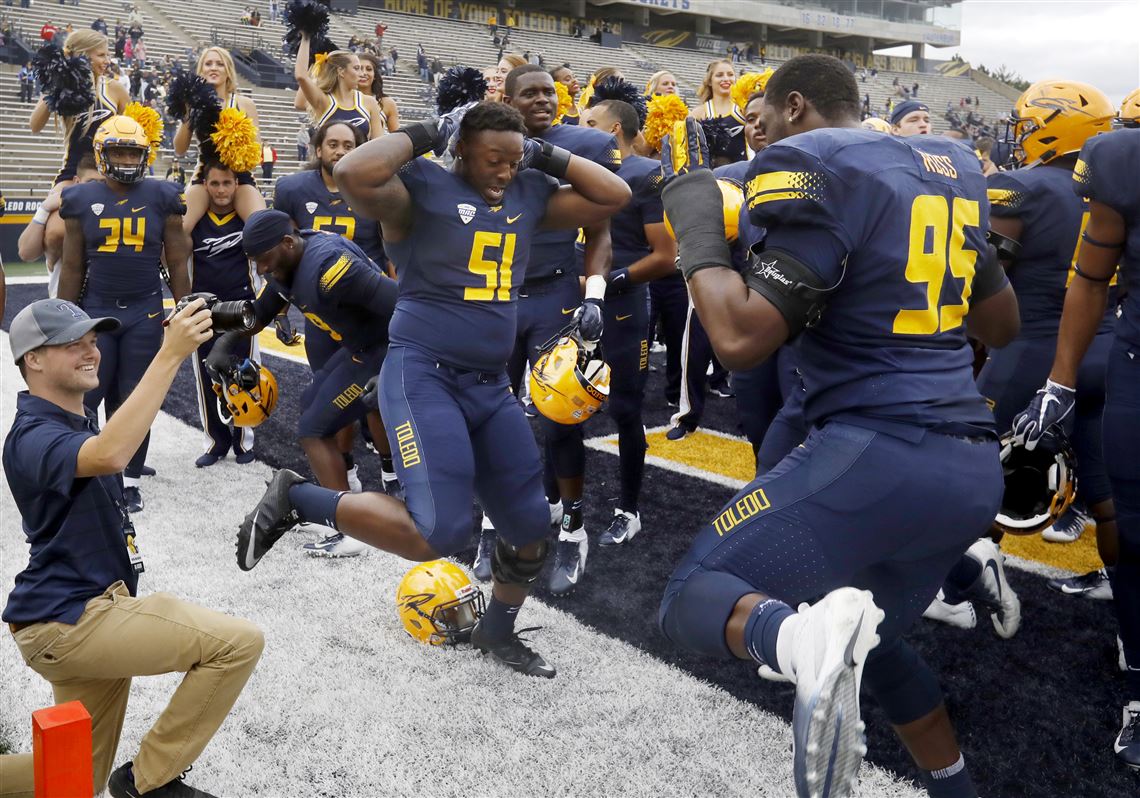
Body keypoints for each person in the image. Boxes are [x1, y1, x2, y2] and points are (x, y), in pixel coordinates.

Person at [656, 54, 1019, 798]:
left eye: (763, 116)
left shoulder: (814, 162)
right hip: (970, 466)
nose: (756, 131)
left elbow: (741, 338)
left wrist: (695, 223)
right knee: (874, 641)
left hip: (877, 451)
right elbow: (1001, 325)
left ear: (794, 106)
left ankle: (796, 642)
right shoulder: (946, 163)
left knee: (692, 597)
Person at [234, 101, 628, 677]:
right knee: (437, 531)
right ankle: (298, 498)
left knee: (528, 528)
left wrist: (542, 153)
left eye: (514, 160)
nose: (505, 171)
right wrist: (430, 131)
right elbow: (352, 172)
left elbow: (614, 194)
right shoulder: (421, 190)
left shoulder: (525, 191)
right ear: (461, 149)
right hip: (425, 374)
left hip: (490, 384)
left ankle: (498, 632)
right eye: (494, 159)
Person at [0, 297, 264, 798]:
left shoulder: (73, 421)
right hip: (70, 618)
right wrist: (171, 353)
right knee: (236, 644)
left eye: (92, 341)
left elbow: (109, 445)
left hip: (76, 612)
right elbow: (111, 454)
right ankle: (146, 784)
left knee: (76, 778)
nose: (91, 352)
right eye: (72, 344)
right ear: (33, 359)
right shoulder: (31, 434)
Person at [1010, 124, 1140, 768]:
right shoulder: (1123, 161)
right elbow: (1091, 277)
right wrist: (1060, 381)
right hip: (1133, 363)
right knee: (1132, 529)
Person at [214, 209, 397, 560]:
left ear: (287, 242)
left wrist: (394, 364)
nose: (262, 269)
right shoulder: (289, 258)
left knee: (313, 428)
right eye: (256, 261)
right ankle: (344, 498)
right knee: (310, 406)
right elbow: (261, 311)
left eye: (265, 259)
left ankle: (350, 527)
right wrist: (223, 344)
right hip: (360, 349)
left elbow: (405, 304)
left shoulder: (330, 270)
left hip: (381, 351)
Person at [502, 65, 622, 595]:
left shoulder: (583, 146)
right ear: (508, 101)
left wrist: (594, 293)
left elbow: (600, 228)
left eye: (549, 92)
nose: (543, 100)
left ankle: (574, 527)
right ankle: (495, 522)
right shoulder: (486, 143)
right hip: (498, 295)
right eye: (529, 93)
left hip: (553, 291)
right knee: (490, 413)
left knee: (560, 417)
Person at [57, 116, 191, 513]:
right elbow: (72, 265)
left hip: (144, 311)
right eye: (120, 152)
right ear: (102, 153)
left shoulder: (163, 194)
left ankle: (129, 480)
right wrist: (63, 318)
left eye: (134, 153)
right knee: (86, 396)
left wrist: (185, 306)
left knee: (134, 397)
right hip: (96, 310)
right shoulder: (80, 198)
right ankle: (84, 467)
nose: (128, 160)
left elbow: (177, 259)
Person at [577, 98, 676, 546]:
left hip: (622, 304)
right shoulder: (578, 170)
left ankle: (628, 509)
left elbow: (665, 256)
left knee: (624, 409)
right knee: (561, 405)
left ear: (614, 128)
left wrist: (605, 282)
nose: (581, 128)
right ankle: (560, 501)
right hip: (577, 299)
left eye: (590, 122)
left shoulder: (646, 174)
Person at [188, 162, 261, 468]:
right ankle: (215, 441)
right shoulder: (195, 221)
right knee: (207, 375)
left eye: (227, 183)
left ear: (237, 185)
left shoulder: (247, 218)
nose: (220, 190)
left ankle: (244, 440)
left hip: (241, 308)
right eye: (214, 183)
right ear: (204, 185)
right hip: (203, 309)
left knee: (245, 373)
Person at [173, 47, 265, 231]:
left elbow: (257, 151)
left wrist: (235, 145)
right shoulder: (194, 104)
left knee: (261, 228)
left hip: (239, 176)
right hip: (204, 175)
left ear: (228, 70)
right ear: (201, 70)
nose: (213, 68)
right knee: (180, 229)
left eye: (219, 64)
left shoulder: (244, 104)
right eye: (208, 64)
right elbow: (179, 149)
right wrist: (189, 111)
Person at [29, 30, 129, 186]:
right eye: (101, 55)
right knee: (52, 202)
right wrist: (54, 85)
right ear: (82, 55)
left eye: (108, 55)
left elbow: (133, 132)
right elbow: (35, 126)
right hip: (73, 173)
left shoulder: (115, 89)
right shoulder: (63, 86)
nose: (107, 61)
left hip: (110, 173)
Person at [18, 155, 103, 299]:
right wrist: (44, 209)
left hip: (102, 305)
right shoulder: (63, 216)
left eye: (103, 183)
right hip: (64, 307)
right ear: (77, 182)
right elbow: (26, 253)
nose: (96, 189)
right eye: (91, 182)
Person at [293, 33, 384, 141]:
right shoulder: (324, 100)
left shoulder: (369, 102)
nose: (361, 74)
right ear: (341, 71)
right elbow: (301, 77)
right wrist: (306, 37)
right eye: (356, 68)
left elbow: (378, 143)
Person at [691, 59, 746, 161]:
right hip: (711, 170)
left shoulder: (744, 108)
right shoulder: (698, 113)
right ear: (709, 81)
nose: (726, 79)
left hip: (744, 169)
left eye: (730, 75)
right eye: (719, 75)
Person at [357, 52, 399, 133]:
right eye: (359, 69)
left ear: (375, 75)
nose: (364, 73)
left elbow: (397, 136)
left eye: (369, 69)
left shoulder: (387, 103)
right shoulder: (342, 99)